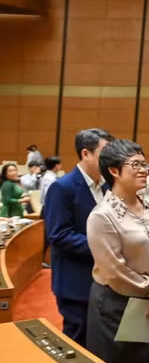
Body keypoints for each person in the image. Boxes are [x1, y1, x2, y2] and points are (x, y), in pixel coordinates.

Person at [86, 140, 149, 363]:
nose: (144, 169)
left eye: (144, 163)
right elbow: (114, 270)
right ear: (114, 171)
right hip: (118, 303)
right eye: (135, 164)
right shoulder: (102, 216)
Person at [44, 128, 114, 347]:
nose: (110, 158)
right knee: (78, 344)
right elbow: (59, 235)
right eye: (105, 151)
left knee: (99, 344)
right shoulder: (62, 187)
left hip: (105, 282)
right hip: (75, 282)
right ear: (86, 153)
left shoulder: (108, 186)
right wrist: (104, 248)